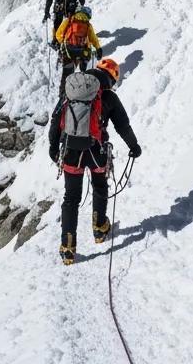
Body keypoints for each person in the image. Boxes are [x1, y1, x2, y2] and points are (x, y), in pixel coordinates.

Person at [48, 58, 141, 265]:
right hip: (96, 150)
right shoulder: (108, 96)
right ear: (112, 78)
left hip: (71, 151)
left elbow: (56, 121)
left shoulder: (71, 91)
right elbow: (122, 126)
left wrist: (53, 148)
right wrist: (133, 147)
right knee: (99, 186)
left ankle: (68, 248)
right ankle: (99, 229)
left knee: (71, 198)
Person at [55, 6, 102, 97]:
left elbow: (58, 35)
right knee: (84, 72)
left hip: (68, 50)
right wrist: (98, 48)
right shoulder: (88, 25)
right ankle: (83, 89)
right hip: (82, 52)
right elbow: (93, 39)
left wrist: (64, 43)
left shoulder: (69, 21)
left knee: (67, 73)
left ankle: (63, 93)